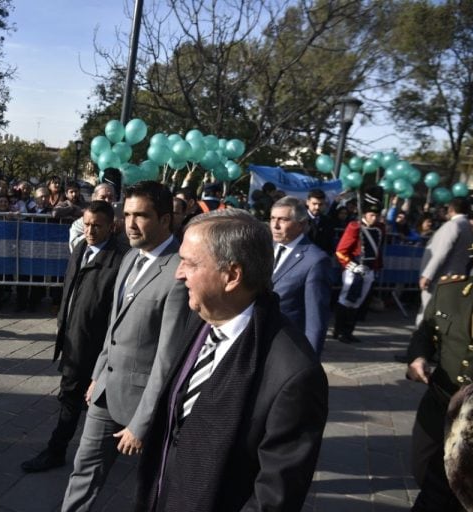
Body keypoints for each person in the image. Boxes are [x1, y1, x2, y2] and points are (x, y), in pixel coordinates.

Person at [134, 208, 328, 511]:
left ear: (232, 276)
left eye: (189, 262)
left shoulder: (294, 374)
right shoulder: (202, 316)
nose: (178, 273)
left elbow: (274, 497)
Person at [61, 181, 190, 511]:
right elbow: (113, 326)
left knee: (150, 490)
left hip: (146, 405)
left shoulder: (179, 271)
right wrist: (99, 374)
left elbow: (167, 357)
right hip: (106, 391)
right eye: (127, 214)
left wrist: (141, 423)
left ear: (165, 220)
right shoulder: (130, 258)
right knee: (83, 470)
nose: (130, 223)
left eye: (141, 216)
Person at [21, 201, 128, 473]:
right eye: (87, 224)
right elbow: (69, 290)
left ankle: (68, 451)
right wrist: (61, 326)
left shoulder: (121, 259)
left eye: (97, 226)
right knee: (69, 399)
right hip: (73, 340)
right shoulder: (80, 247)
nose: (90, 231)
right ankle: (58, 450)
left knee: (87, 402)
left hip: (97, 346)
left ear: (111, 227)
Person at [405, 229, 473, 511]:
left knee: (450, 487)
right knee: (422, 468)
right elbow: (425, 332)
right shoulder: (450, 291)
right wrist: (417, 358)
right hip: (438, 404)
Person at [270, 196, 332, 355]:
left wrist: (309, 360)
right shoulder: (265, 248)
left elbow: (315, 319)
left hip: (286, 345)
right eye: (272, 218)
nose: (275, 225)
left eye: (283, 220)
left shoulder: (316, 260)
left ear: (301, 224)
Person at [333, 194, 385, 344]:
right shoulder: (354, 227)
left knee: (357, 302)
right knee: (346, 300)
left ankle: (349, 331)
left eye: (376, 215)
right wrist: (352, 266)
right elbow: (340, 251)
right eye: (371, 215)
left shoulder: (379, 229)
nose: (374, 218)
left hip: (368, 270)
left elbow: (377, 252)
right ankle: (339, 331)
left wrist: (376, 268)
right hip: (353, 269)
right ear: (365, 214)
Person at [416, 197, 473, 325]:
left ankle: (421, 339)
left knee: (429, 310)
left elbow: (441, 252)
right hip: (458, 274)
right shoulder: (468, 226)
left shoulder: (453, 225)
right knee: (443, 312)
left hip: (442, 276)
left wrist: (427, 275)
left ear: (451, 209)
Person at [68, 182, 116, 251]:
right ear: (93, 197)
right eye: (103, 197)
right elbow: (74, 246)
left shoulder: (121, 223)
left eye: (110, 198)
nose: (107, 201)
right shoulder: (79, 223)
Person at [305, 188, 336, 256]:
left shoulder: (328, 221)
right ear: (307, 202)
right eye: (314, 204)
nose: (317, 207)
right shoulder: (300, 220)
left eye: (320, 204)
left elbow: (330, 242)